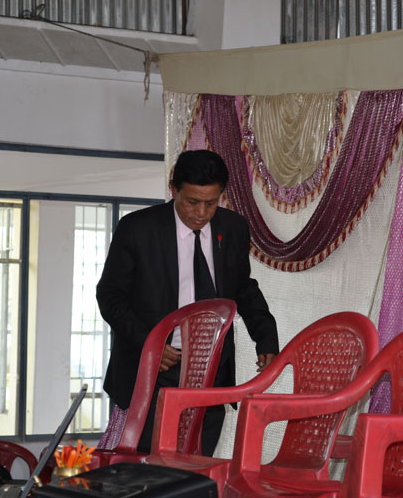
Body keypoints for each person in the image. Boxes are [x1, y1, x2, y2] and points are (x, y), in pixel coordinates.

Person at [96, 149, 279, 455]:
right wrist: (150, 344)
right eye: (192, 202)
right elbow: (110, 296)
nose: (201, 212)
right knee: (148, 464)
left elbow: (242, 287)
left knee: (197, 463)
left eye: (211, 203)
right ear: (174, 189)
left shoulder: (232, 228)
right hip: (156, 368)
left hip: (212, 368)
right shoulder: (139, 229)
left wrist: (266, 337)